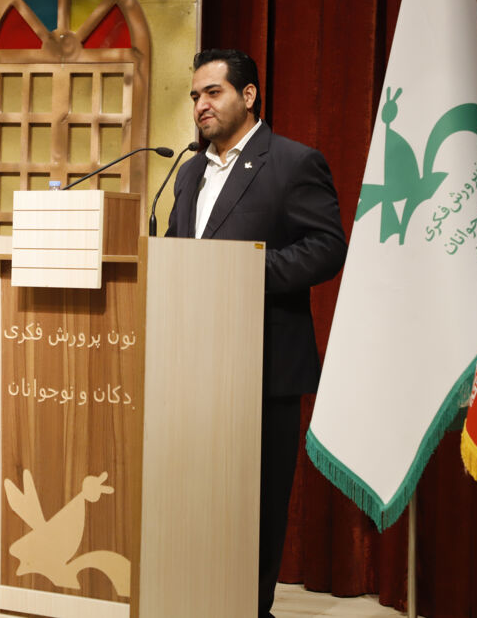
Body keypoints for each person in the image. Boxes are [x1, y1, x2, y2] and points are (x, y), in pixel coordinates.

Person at [165, 48, 347, 617]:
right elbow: (177, 253)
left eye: (213, 92)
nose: (201, 104)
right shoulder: (189, 171)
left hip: (263, 363)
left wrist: (244, 271)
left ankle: (250, 608)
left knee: (257, 502)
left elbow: (327, 248)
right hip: (193, 362)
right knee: (198, 495)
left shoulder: (292, 162)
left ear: (248, 96)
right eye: (195, 95)